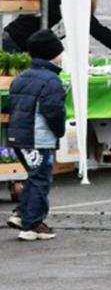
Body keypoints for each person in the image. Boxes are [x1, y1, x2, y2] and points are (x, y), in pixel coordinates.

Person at [7, 30, 66, 241]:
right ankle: (31, 225)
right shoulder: (51, 81)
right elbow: (54, 111)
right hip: (37, 138)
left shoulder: (21, 78)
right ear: (52, 55)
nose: (61, 57)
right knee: (41, 178)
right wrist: (60, 131)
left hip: (17, 136)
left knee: (34, 175)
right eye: (59, 53)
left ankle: (22, 214)